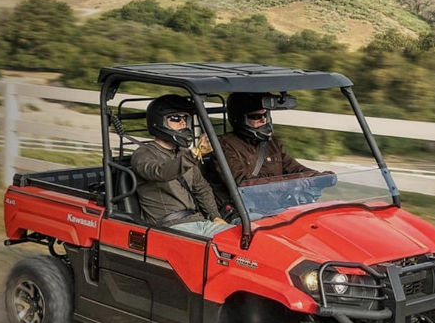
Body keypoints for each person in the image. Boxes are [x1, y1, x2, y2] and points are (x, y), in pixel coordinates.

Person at [131, 94, 235, 237]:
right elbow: (160, 172)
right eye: (175, 118)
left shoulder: (183, 153)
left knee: (242, 241)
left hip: (199, 221)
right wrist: (195, 153)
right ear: (159, 121)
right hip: (170, 227)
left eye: (185, 118)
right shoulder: (144, 154)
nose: (182, 123)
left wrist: (214, 216)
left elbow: (201, 189)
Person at [217, 93, 317, 185]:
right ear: (239, 119)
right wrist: (286, 184)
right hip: (244, 203)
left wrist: (317, 176)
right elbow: (242, 183)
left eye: (265, 114)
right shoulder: (225, 145)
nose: (263, 120)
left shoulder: (271, 143)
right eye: (256, 116)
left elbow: (293, 167)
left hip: (274, 200)